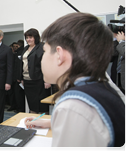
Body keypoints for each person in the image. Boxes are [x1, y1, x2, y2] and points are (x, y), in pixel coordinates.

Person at [24, 13, 127, 150]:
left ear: (59, 55)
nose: (42, 59)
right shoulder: (102, 84)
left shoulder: (73, 106)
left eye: (45, 51)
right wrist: (51, 122)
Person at [18, 28, 51, 114]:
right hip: (27, 81)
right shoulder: (25, 49)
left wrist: (47, 80)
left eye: (30, 37)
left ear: (36, 37)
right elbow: (22, 63)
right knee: (32, 105)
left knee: (43, 106)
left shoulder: (42, 47)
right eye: (27, 37)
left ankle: (43, 125)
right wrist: (21, 78)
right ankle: (33, 125)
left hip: (40, 80)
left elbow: (47, 64)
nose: (28, 39)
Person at [115, 31, 127, 96]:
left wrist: (121, 41)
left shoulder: (123, 42)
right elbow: (113, 53)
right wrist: (115, 38)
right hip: (121, 77)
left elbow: (126, 53)